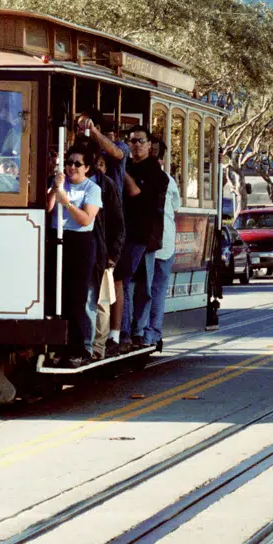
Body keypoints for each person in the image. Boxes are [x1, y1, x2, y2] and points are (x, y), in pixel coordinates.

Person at [46, 146, 100, 365]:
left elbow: (86, 219)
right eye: (69, 162)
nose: (72, 167)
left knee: (76, 298)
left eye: (77, 164)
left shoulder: (92, 188)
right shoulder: (59, 183)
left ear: (86, 168)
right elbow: (47, 208)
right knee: (55, 294)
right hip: (57, 239)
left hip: (80, 243)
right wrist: (54, 190)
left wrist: (67, 202)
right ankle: (57, 346)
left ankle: (78, 349)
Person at [119, 125, 169, 351]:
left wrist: (121, 169)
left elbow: (136, 194)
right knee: (125, 285)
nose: (136, 145)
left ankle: (138, 331)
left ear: (150, 145)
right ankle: (126, 333)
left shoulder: (157, 174)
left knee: (144, 288)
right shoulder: (127, 165)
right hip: (123, 234)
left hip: (145, 237)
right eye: (132, 141)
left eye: (140, 141)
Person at [133, 136, 181, 349]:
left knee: (150, 289)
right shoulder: (168, 180)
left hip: (156, 241)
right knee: (154, 289)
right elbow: (176, 206)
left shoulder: (160, 179)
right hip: (161, 240)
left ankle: (147, 332)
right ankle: (150, 332)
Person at [89, 146, 124, 358]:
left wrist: (112, 255)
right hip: (83, 250)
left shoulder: (105, 186)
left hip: (101, 252)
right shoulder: (66, 184)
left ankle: (98, 347)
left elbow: (117, 225)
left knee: (101, 300)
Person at [77, 111, 127, 195]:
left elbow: (117, 153)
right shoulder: (81, 148)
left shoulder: (119, 145)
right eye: (77, 127)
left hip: (109, 202)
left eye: (82, 127)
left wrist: (94, 131)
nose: (78, 131)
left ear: (97, 127)